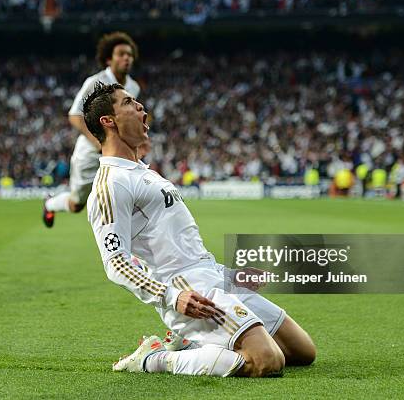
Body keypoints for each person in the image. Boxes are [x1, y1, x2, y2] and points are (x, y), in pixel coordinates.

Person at [84, 82, 316, 378]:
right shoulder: (110, 183)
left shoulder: (144, 172)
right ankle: (152, 359)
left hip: (213, 275)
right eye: (129, 102)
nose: (141, 107)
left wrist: (231, 276)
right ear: (108, 121)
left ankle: (194, 344)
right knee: (266, 361)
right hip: (185, 288)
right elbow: (116, 262)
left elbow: (183, 244)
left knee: (302, 352)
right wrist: (170, 296)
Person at [43, 31, 142, 227]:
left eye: (129, 55)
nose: (127, 58)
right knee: (77, 203)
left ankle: (133, 253)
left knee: (129, 198)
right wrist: (98, 142)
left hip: (117, 154)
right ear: (108, 59)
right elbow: (75, 115)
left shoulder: (133, 87)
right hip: (89, 152)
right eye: (121, 54)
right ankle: (50, 204)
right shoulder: (94, 83)